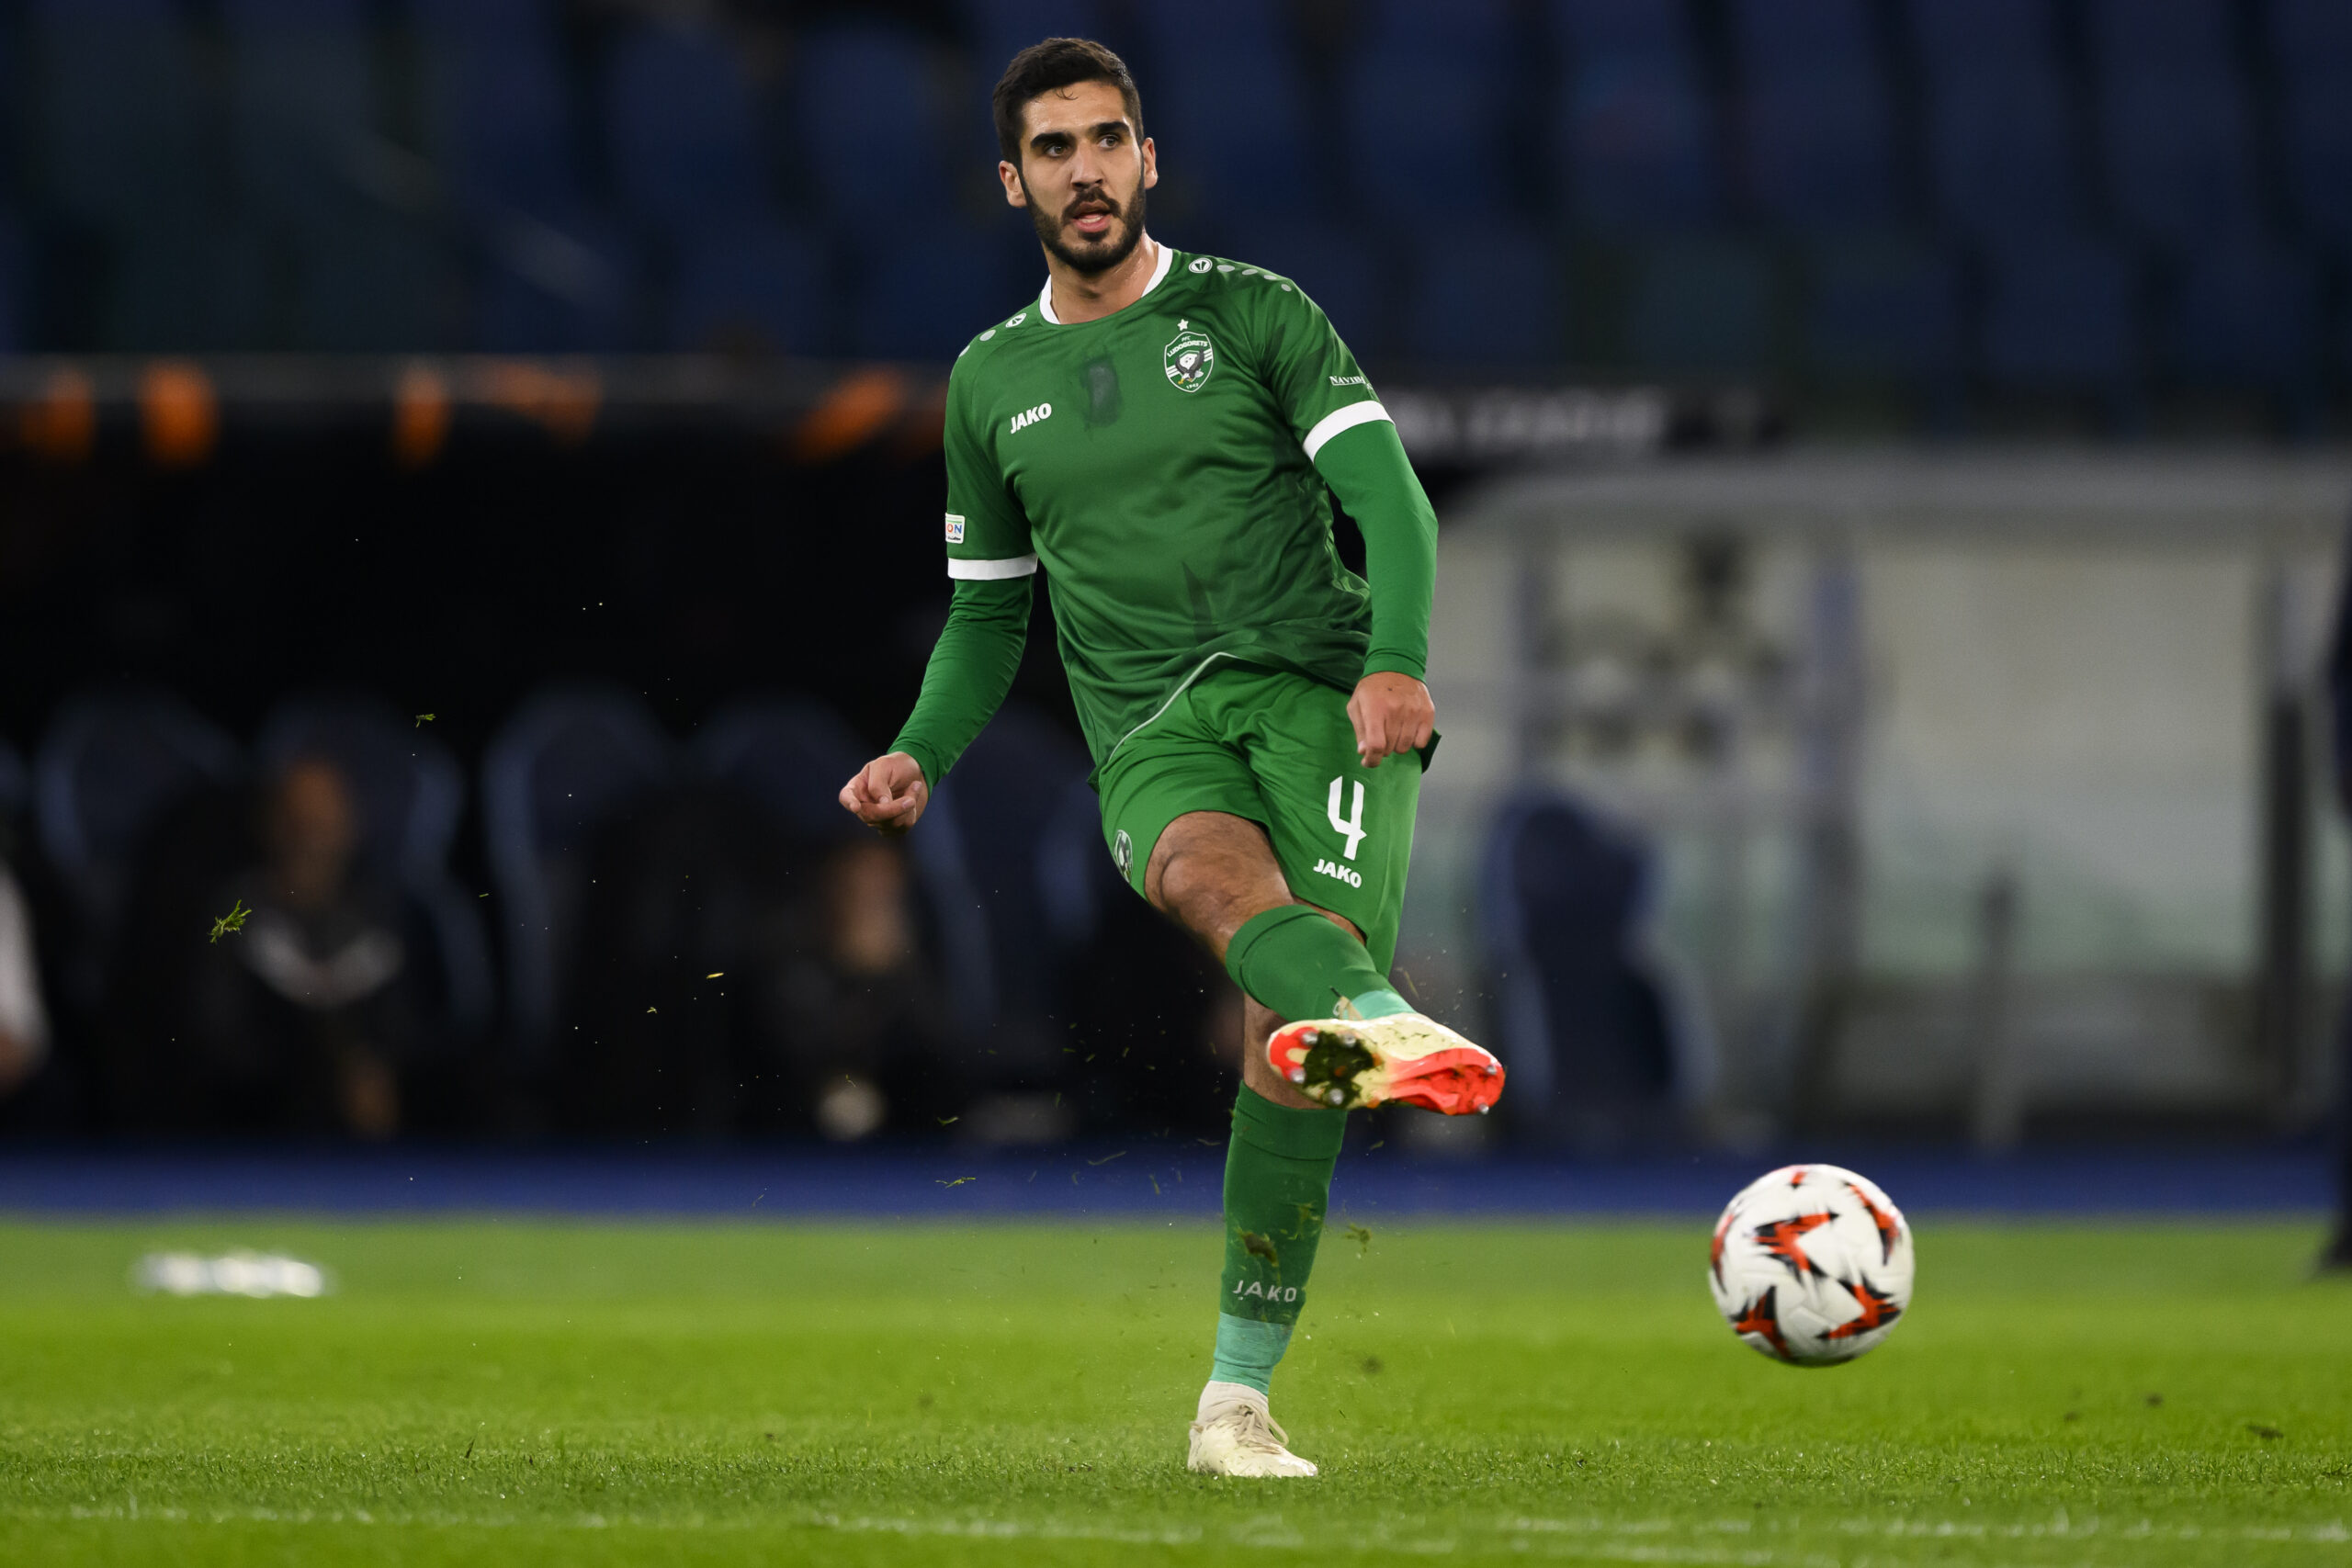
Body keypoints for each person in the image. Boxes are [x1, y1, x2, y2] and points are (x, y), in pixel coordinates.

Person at [838, 39, 1504, 1475]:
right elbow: (984, 615)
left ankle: (1234, 1402)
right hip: (1147, 731)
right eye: (1057, 150)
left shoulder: (1258, 315)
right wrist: (918, 751)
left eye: (1109, 141)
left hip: (1320, 696)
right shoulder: (987, 384)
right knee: (1208, 884)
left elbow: (1393, 503)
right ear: (1015, 182)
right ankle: (1393, 1025)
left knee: (1290, 1042)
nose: (1087, 171)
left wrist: (1394, 660)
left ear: (1149, 159)